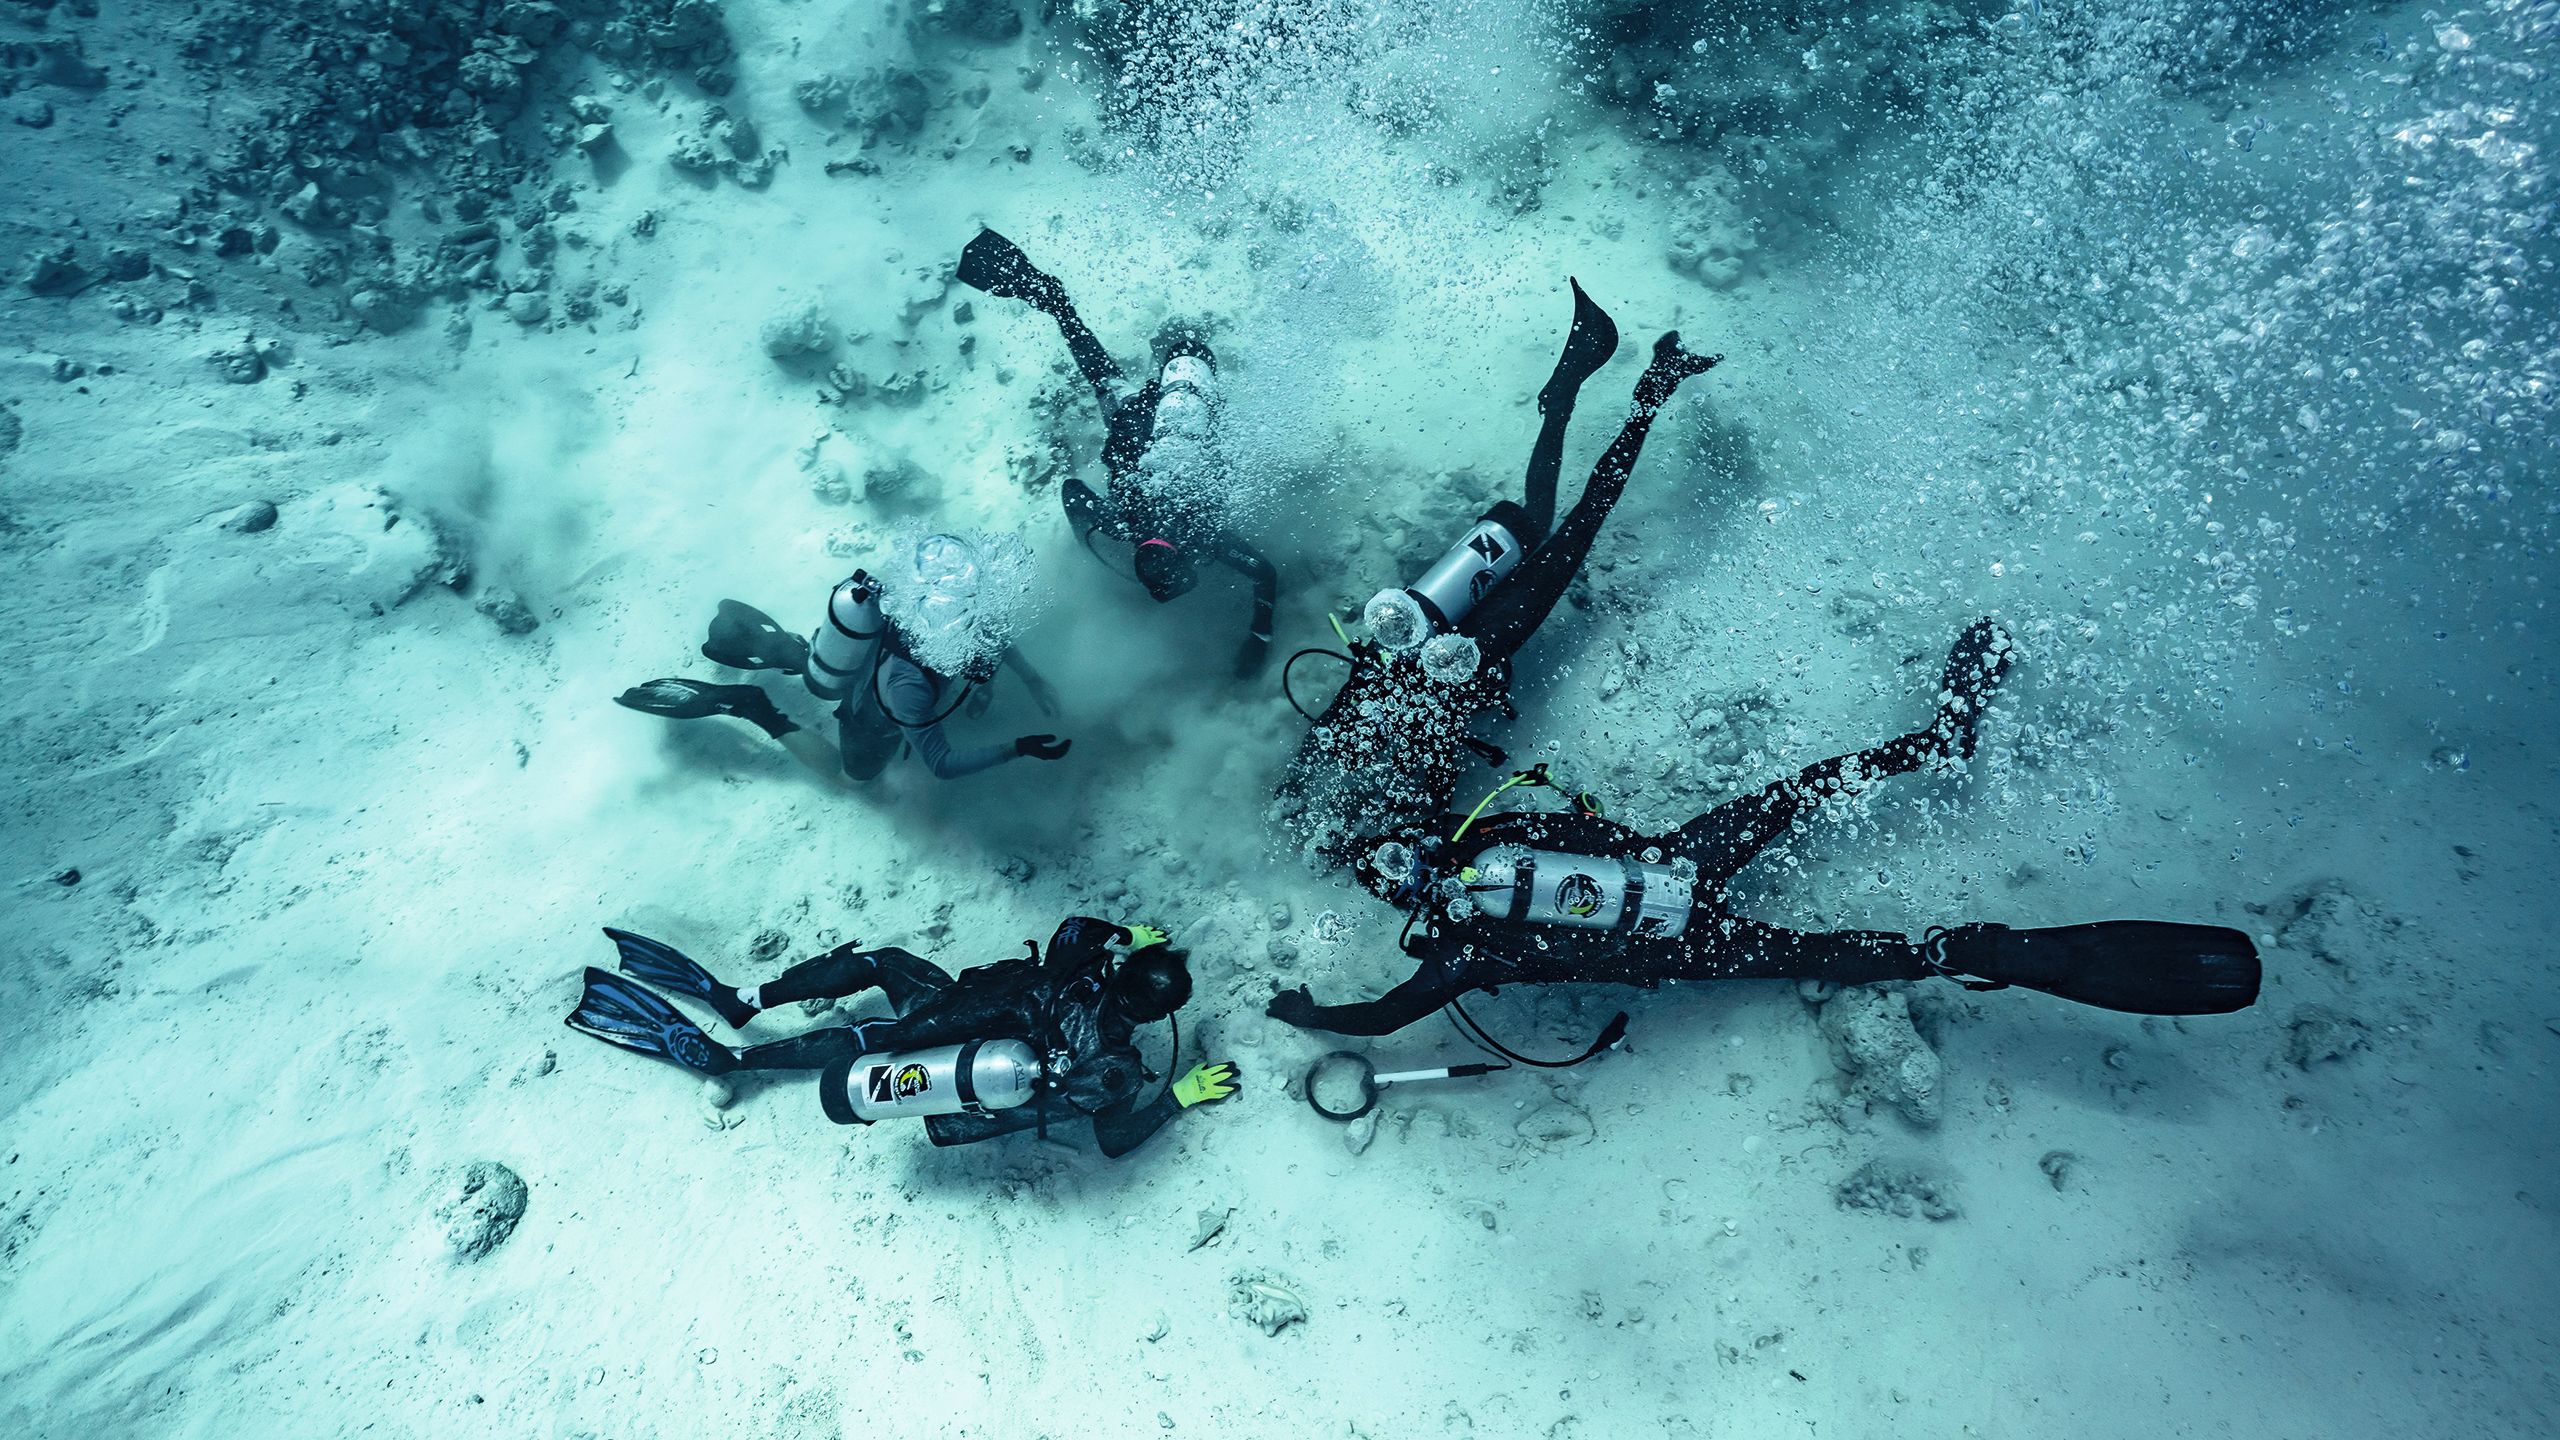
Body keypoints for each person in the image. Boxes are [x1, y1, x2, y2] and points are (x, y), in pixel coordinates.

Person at [1266, 619, 2262, 1035]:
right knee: (1801, 793)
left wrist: (1310, 1017)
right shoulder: (1482, 842)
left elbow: (1389, 1016)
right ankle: (1942, 741)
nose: (1393, 860)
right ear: (1417, 853)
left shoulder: (1460, 948)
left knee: (1818, 951)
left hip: (1684, 942)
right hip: (1680, 862)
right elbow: (1584, 828)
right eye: (1386, 860)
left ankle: (1950, 948)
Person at [1275, 279, 1720, 866]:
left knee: (1580, 517)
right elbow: (1328, 745)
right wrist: (1296, 793)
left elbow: (1413, 805)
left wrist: (1322, 820)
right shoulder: (1360, 727)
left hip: (1477, 633)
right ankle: (1596, 386)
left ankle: (1643, 381)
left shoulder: (1398, 755)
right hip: (1439, 611)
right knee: (1545, 516)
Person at [566, 917, 1242, 1156]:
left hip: (951, 1041)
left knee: (874, 1004)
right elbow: (1115, 1139)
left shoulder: (1082, 972)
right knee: (882, 991)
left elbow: (1073, 929)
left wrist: (1125, 936)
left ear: (1123, 970)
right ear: (1155, 1017)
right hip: (957, 1031)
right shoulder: (1116, 1066)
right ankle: (738, 1020)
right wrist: (1179, 1095)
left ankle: (739, 1032)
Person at [956, 228, 1278, 678]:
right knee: (1106, 376)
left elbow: (1073, 492)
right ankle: (1056, 303)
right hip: (1134, 427)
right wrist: (1259, 638)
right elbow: (1265, 573)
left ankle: (1054, 301)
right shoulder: (1199, 531)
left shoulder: (1186, 528)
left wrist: (1093, 538)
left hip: (1132, 425)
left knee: (1100, 372)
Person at [616, 532, 1073, 782]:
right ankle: (752, 707)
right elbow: (942, 765)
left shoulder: (947, 605)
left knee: (838, 668)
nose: (986, 667)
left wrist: (1031, 679)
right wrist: (1019, 748)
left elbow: (990, 634)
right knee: (853, 773)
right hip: (877, 700)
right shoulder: (907, 692)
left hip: (863, 647)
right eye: (978, 666)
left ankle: (789, 650)